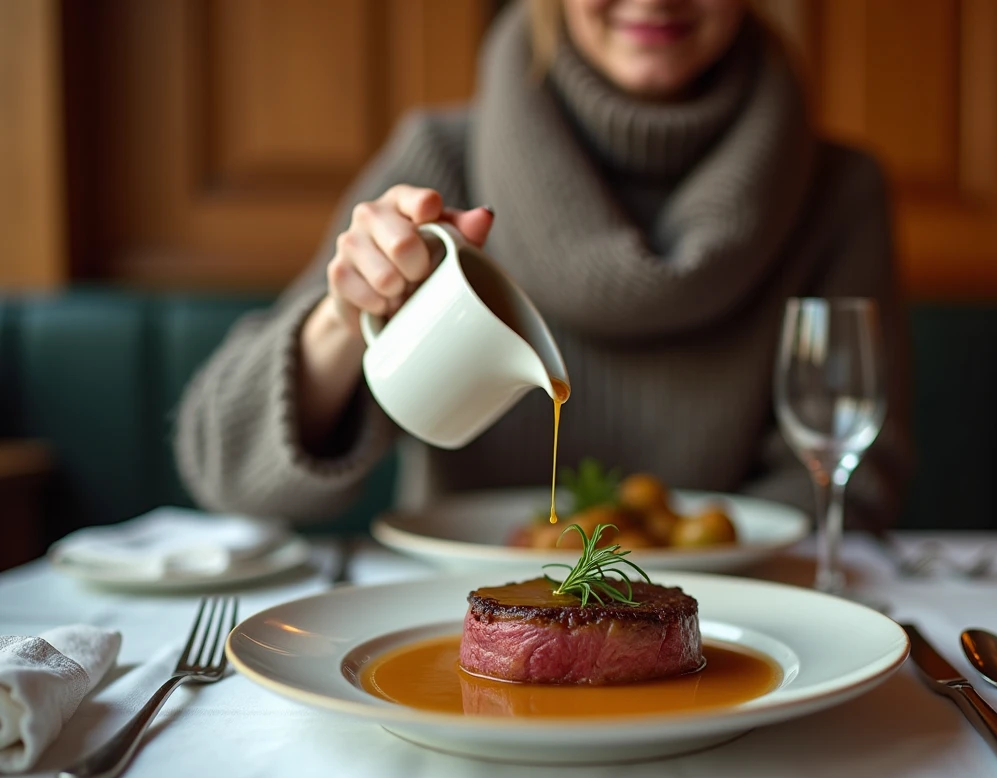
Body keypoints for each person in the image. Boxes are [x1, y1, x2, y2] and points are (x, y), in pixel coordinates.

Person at [173, 0, 913, 533]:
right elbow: (224, 470)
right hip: (460, 632)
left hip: (728, 631)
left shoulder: (837, 192)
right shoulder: (442, 159)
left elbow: (847, 479)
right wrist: (343, 319)